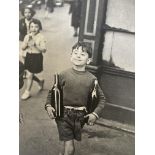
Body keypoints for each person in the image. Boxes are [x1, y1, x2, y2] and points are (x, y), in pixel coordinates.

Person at [45, 41, 106, 155]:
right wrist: (49, 106)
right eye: (75, 53)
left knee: (67, 138)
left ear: (88, 61)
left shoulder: (92, 79)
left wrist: (94, 114)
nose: (78, 55)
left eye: (82, 54)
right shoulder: (63, 75)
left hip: (80, 116)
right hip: (63, 114)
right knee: (69, 142)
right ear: (71, 56)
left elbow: (102, 99)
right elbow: (52, 92)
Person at [21, 19, 47, 100]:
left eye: (36, 27)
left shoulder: (41, 37)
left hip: (37, 57)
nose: (34, 28)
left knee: (30, 74)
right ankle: (40, 81)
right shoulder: (27, 36)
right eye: (31, 26)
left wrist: (35, 44)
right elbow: (23, 48)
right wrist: (26, 43)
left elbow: (44, 50)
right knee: (29, 74)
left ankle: (27, 91)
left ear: (39, 27)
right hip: (29, 56)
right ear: (29, 28)